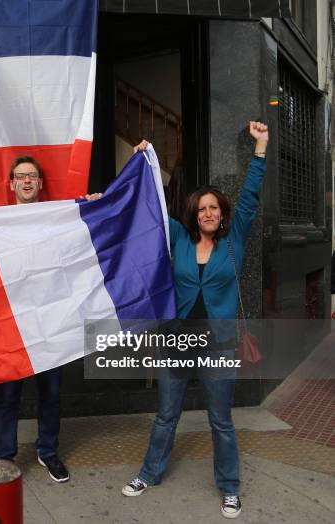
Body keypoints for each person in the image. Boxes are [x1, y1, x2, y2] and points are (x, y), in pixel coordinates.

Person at [0, 144, 148, 482]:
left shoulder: (59, 218)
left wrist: (95, 207)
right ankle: (4, 456)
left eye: (32, 176)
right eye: (21, 176)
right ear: (10, 184)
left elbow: (88, 240)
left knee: (52, 395)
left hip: (51, 323)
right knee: (7, 398)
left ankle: (47, 451)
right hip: (10, 326)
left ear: (40, 183)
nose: (27, 181)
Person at [121, 121, 269, 519]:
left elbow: (251, 196)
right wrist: (143, 162)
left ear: (222, 216)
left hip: (219, 345)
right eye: (201, 208)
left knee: (220, 421)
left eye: (213, 208)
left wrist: (260, 149)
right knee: (166, 415)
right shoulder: (178, 238)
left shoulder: (233, 240)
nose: (207, 212)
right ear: (194, 213)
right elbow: (148, 204)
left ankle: (230, 488)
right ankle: (149, 474)